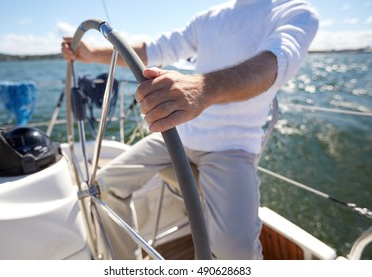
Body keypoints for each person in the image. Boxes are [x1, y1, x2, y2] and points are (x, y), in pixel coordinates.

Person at [61, 0, 319, 259]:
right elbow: (152, 49)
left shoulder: (295, 12)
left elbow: (275, 62)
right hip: (177, 134)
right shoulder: (209, 17)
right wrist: (91, 53)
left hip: (231, 146)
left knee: (235, 253)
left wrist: (203, 87)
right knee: (103, 185)